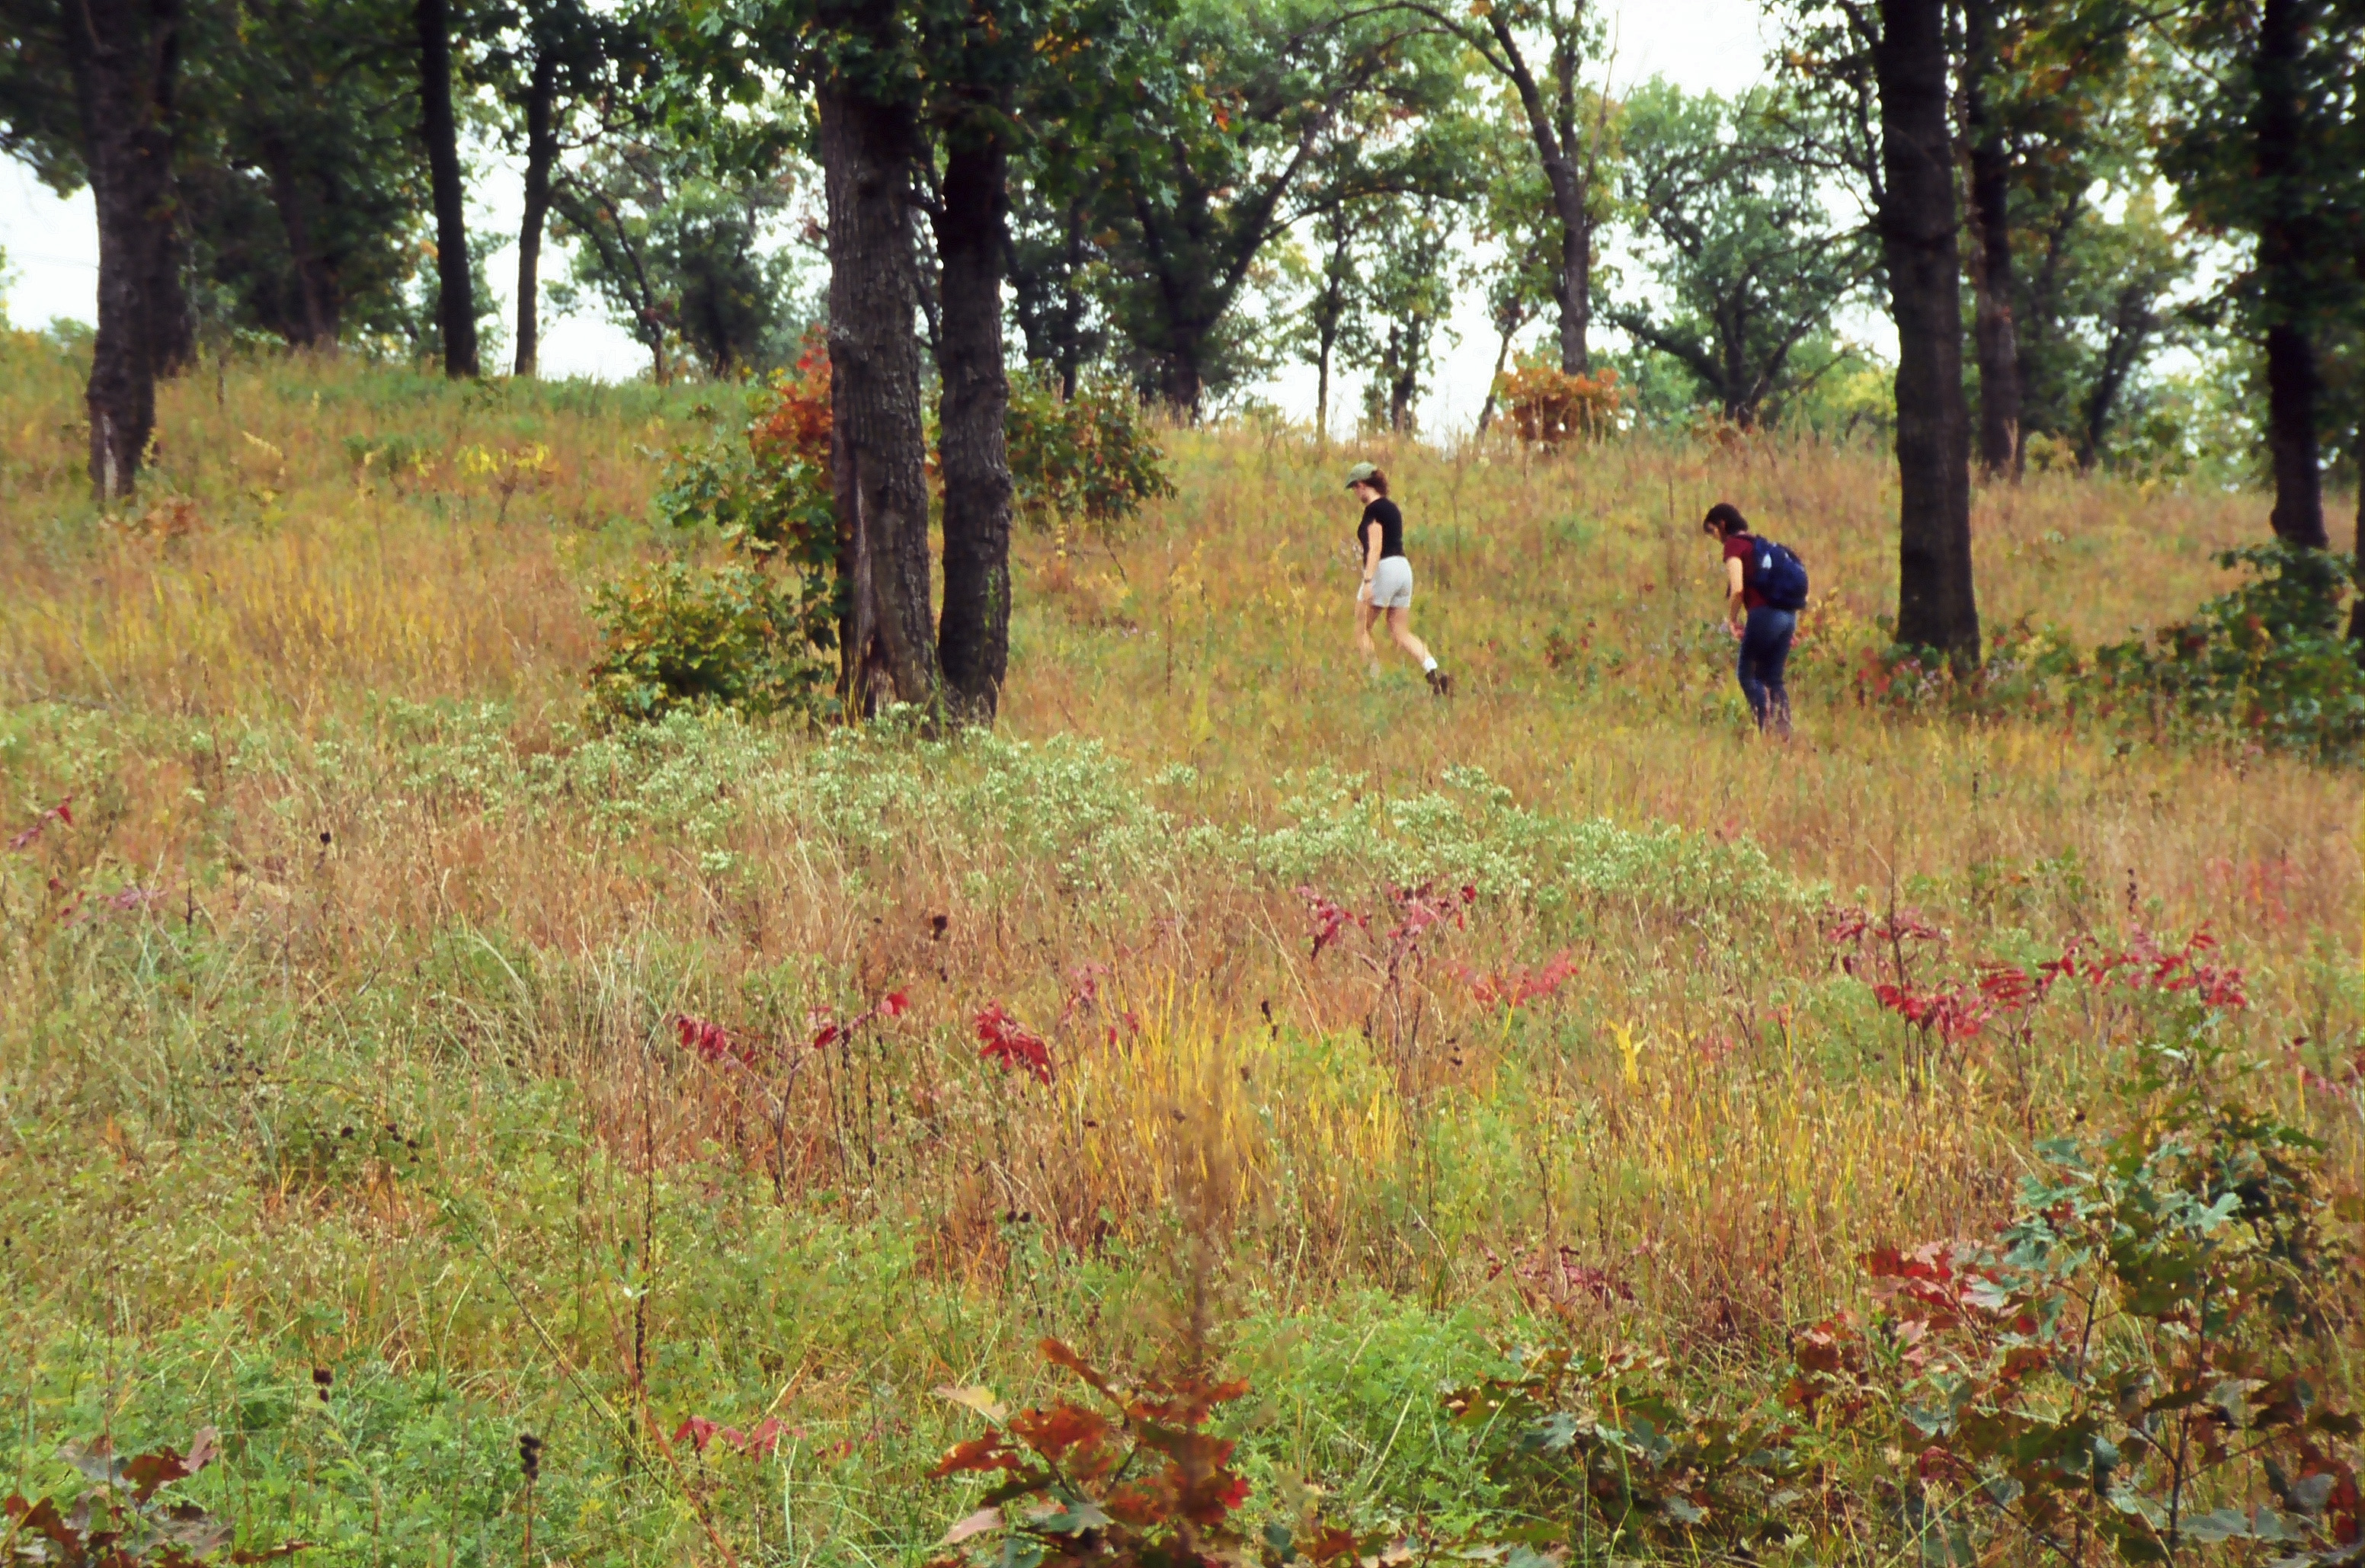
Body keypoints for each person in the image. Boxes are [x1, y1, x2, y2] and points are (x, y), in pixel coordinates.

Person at [1344, 462, 1450, 696]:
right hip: (1403, 569)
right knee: (1400, 631)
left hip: (1384, 568)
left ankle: (1375, 683)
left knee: (1361, 629)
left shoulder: (1373, 511)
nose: (1355, 493)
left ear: (1362, 486)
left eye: (1355, 488)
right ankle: (1433, 672)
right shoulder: (1392, 508)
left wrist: (1369, 580)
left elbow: (1376, 545)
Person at [1703, 501, 1793, 738]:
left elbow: (1738, 589)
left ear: (1722, 524)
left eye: (1712, 531)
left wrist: (1731, 620)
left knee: (1747, 675)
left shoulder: (1734, 546)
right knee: (1773, 677)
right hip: (1787, 616)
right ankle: (1784, 734)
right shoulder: (1759, 544)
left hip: (1764, 616)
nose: (1714, 538)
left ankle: (1766, 731)